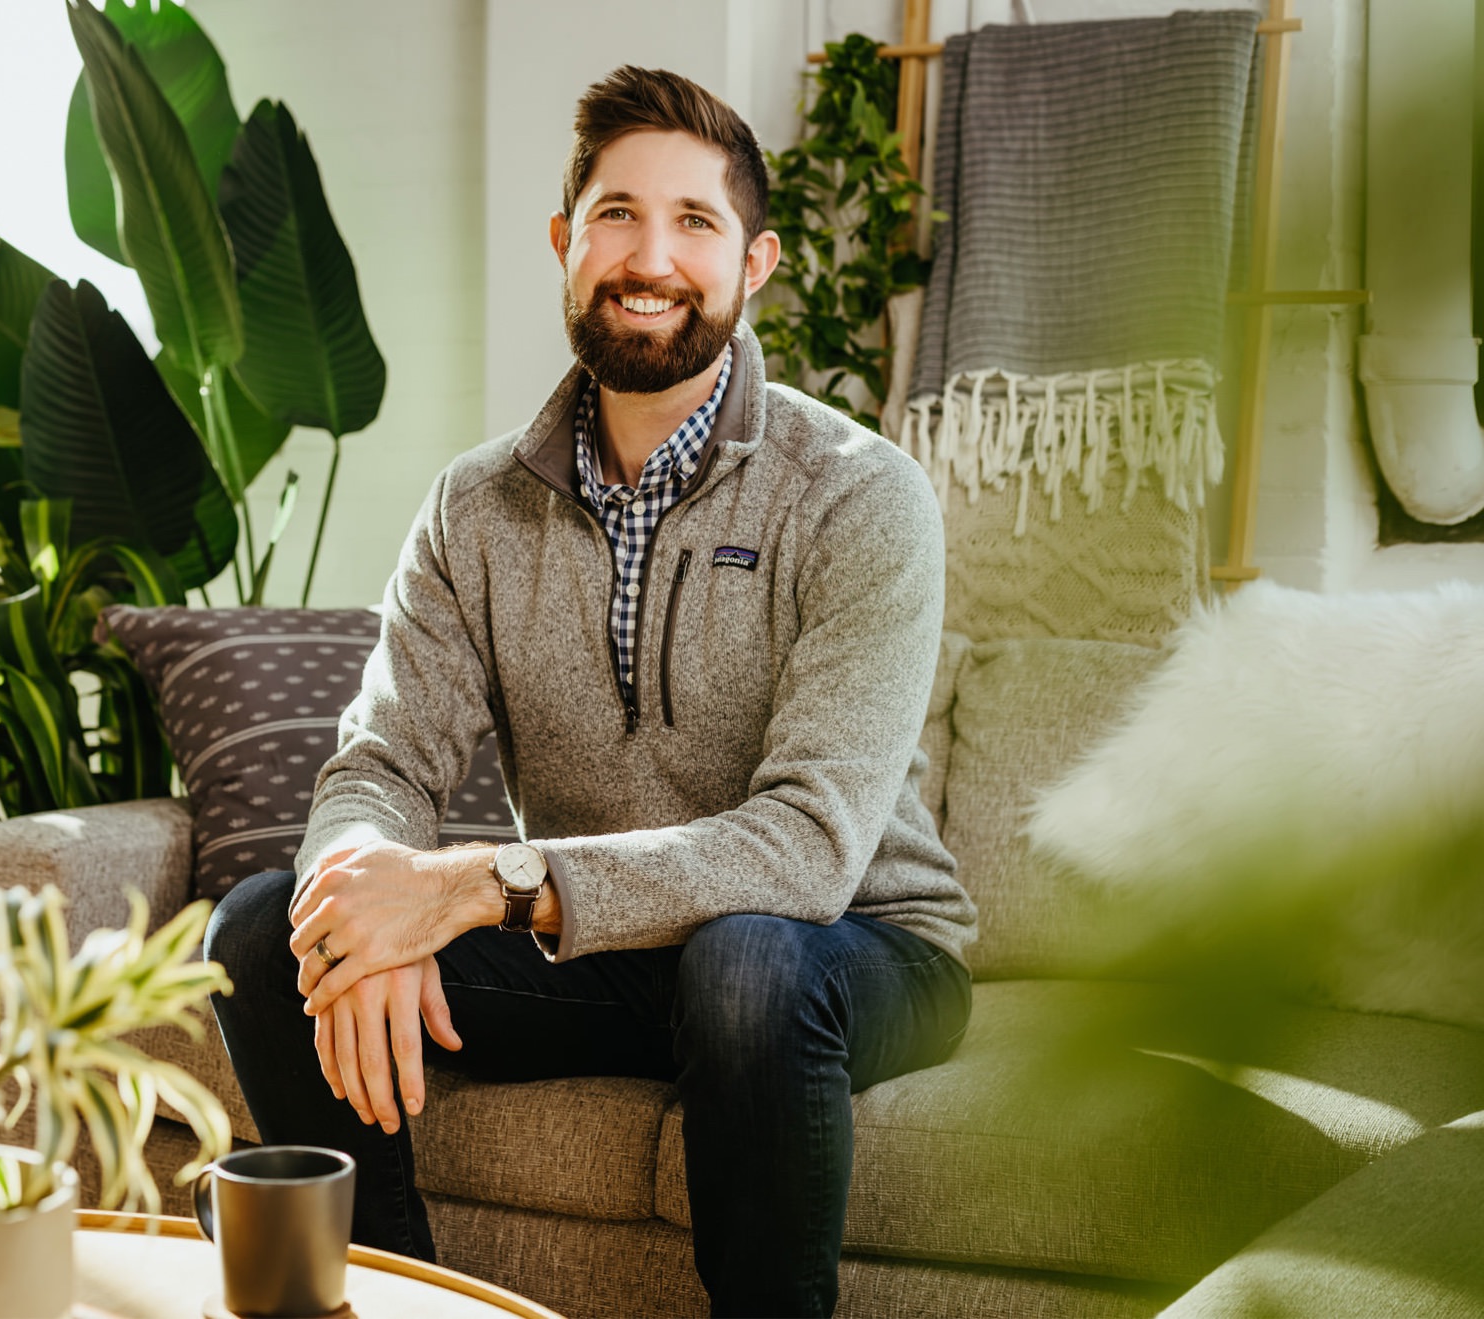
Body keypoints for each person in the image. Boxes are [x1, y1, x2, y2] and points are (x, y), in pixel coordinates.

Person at [206, 65, 977, 1319]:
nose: (650, 256)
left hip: (849, 944)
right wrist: (365, 903)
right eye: (618, 215)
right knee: (261, 929)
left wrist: (468, 886)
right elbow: (382, 765)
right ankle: (404, 1302)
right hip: (616, 952)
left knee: (746, 962)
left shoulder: (857, 493)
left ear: (756, 263)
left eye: (695, 222)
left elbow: (808, 847)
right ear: (566, 244)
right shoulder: (474, 506)